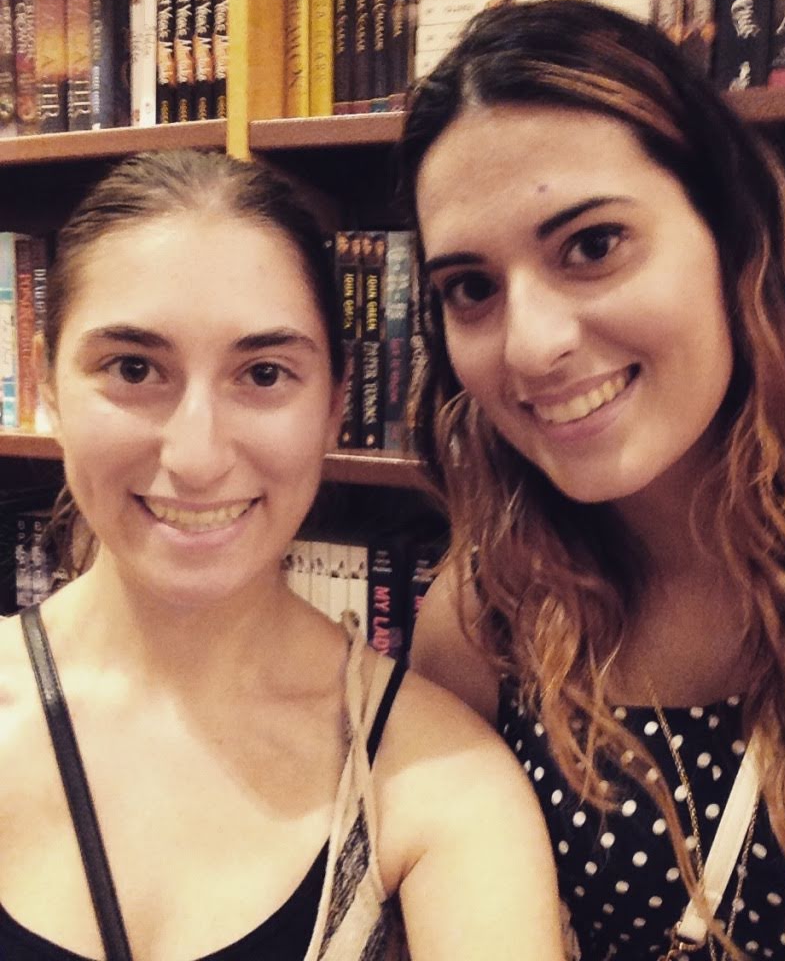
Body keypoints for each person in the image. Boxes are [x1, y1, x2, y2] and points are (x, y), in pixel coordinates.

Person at [0, 149, 563, 960]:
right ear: (48, 387)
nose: (196, 457)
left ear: (333, 407)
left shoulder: (437, 779)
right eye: (133, 369)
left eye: (263, 373)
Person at [400, 0, 785, 961]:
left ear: (730, 234)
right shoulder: (482, 623)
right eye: (471, 287)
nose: (531, 345)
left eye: (591, 245)